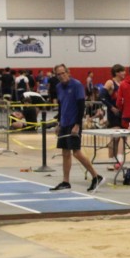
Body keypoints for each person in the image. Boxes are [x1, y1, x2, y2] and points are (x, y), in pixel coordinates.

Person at [49, 64, 103, 193]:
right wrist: (58, 123)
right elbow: (61, 106)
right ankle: (66, 182)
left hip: (74, 123)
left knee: (76, 152)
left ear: (68, 72)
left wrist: (77, 125)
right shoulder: (58, 87)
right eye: (58, 74)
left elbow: (81, 106)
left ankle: (96, 176)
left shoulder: (77, 85)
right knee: (65, 153)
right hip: (64, 123)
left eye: (63, 73)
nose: (61, 76)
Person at [100, 64, 125, 170]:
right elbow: (102, 96)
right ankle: (111, 160)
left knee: (122, 137)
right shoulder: (110, 83)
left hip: (122, 114)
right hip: (113, 114)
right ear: (116, 73)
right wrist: (111, 107)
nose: (124, 73)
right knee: (114, 137)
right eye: (122, 71)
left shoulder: (123, 83)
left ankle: (118, 160)